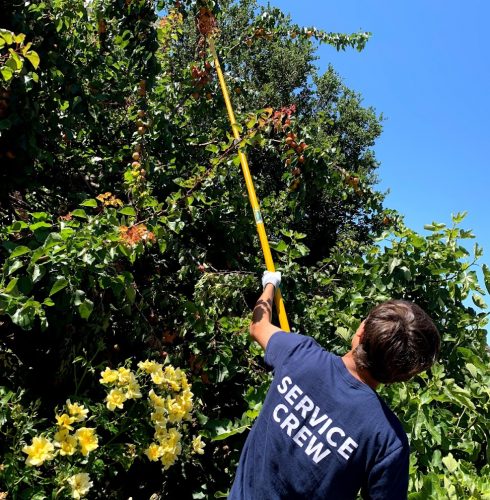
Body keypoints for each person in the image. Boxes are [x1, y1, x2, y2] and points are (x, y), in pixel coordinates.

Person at [228, 271, 441, 499]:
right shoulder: (387, 440)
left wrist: (270, 284)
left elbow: (258, 325)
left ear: (360, 330)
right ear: (404, 376)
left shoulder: (298, 353)